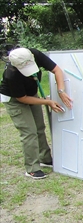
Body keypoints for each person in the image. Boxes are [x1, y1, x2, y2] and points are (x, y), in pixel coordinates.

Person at [0, 47, 73, 179]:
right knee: (29, 131)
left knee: (39, 127)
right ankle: (32, 168)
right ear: (16, 66)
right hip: (14, 99)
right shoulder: (11, 74)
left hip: (31, 93)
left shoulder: (34, 54)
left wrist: (60, 91)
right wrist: (47, 102)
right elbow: (22, 98)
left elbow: (57, 70)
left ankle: (44, 158)